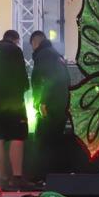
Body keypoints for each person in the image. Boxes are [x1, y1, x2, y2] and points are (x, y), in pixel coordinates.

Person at [0, 29, 31, 188]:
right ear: (15, 40)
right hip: (13, 102)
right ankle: (16, 177)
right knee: (17, 137)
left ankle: (0, 177)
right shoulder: (15, 50)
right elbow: (22, 76)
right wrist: (24, 88)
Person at [29, 30, 71, 182]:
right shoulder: (56, 55)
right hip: (60, 104)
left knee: (43, 140)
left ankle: (42, 176)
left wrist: (42, 102)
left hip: (49, 105)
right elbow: (65, 80)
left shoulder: (44, 55)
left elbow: (45, 80)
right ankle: (55, 176)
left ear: (35, 42)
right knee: (55, 141)